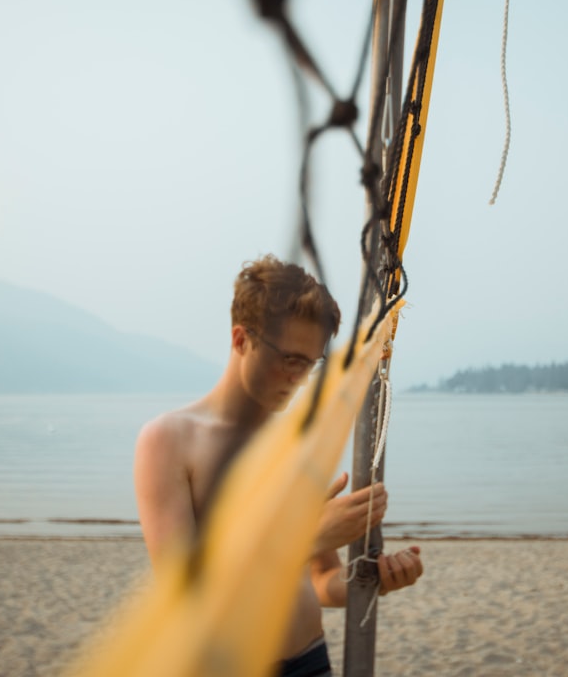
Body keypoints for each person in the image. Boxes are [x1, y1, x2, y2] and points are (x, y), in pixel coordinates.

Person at [134, 254, 424, 676]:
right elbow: (186, 596)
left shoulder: (298, 442)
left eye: (312, 363)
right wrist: (302, 536)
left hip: (311, 659)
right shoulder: (170, 439)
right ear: (240, 339)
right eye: (290, 359)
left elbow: (322, 582)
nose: (300, 377)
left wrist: (375, 579)